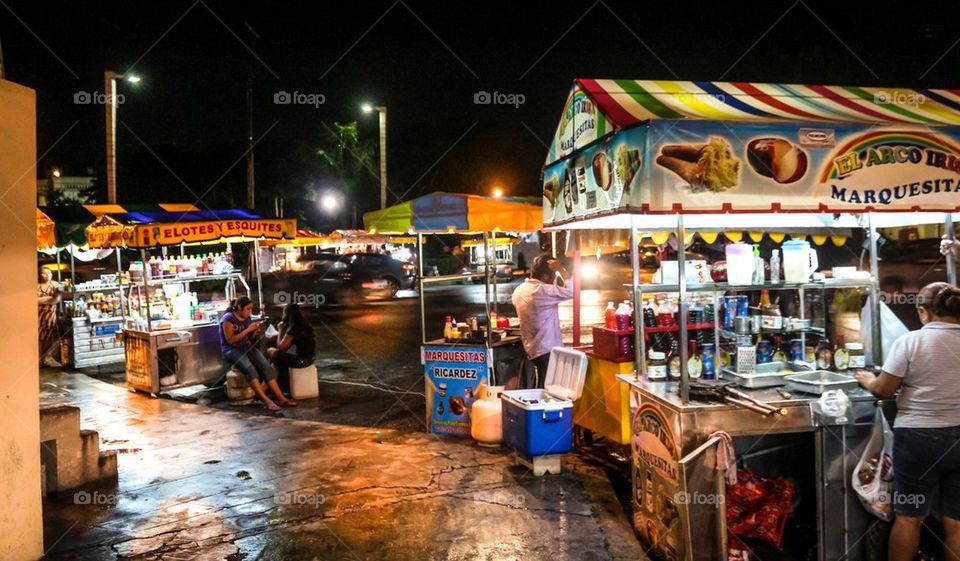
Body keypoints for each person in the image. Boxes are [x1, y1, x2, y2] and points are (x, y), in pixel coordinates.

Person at [854, 282, 960, 561]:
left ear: (923, 311)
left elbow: (884, 390)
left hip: (919, 438)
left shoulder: (911, 341)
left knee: (909, 517)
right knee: (956, 522)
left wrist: (867, 379)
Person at [220, 296, 295, 411]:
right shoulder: (228, 319)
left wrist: (255, 331)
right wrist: (248, 330)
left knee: (266, 367)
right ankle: (267, 401)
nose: (249, 312)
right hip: (231, 349)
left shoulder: (247, 317)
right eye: (248, 309)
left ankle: (281, 398)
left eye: (251, 309)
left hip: (246, 346)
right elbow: (230, 340)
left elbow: (249, 338)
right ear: (239, 308)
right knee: (251, 370)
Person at [511, 253, 573, 387]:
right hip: (547, 349)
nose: (553, 280)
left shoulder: (519, 290)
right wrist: (561, 270)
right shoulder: (541, 290)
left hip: (532, 349)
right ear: (545, 277)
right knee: (548, 390)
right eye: (552, 277)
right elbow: (571, 291)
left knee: (543, 385)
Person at [267, 303, 317, 385]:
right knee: (278, 360)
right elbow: (286, 347)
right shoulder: (304, 324)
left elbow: (281, 347)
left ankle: (270, 384)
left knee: (271, 351)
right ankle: (275, 385)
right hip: (309, 359)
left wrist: (280, 330)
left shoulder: (293, 328)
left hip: (302, 361)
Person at [38, 267, 62, 367]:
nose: (48, 275)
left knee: (51, 338)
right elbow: (33, 300)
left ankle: (46, 358)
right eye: (45, 273)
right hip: (38, 316)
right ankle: (38, 360)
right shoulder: (36, 286)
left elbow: (56, 299)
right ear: (40, 275)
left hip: (50, 316)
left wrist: (41, 300)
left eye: (49, 272)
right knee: (39, 338)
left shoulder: (55, 284)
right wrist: (49, 298)